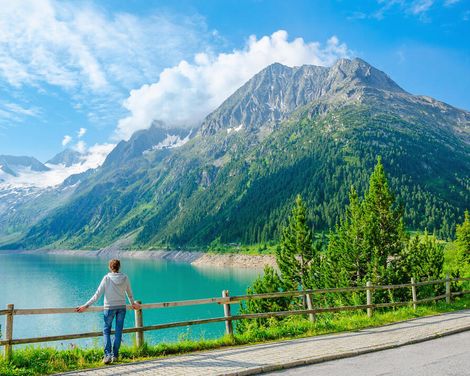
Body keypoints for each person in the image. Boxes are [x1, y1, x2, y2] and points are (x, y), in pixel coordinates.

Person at [76, 259, 140, 364]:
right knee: (118, 331)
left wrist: (85, 306)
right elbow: (130, 294)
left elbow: (97, 295)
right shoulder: (125, 278)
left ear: (110, 267)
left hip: (109, 308)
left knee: (106, 331)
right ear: (119, 267)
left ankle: (107, 356)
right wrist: (133, 303)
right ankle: (115, 355)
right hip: (121, 308)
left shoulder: (106, 278)